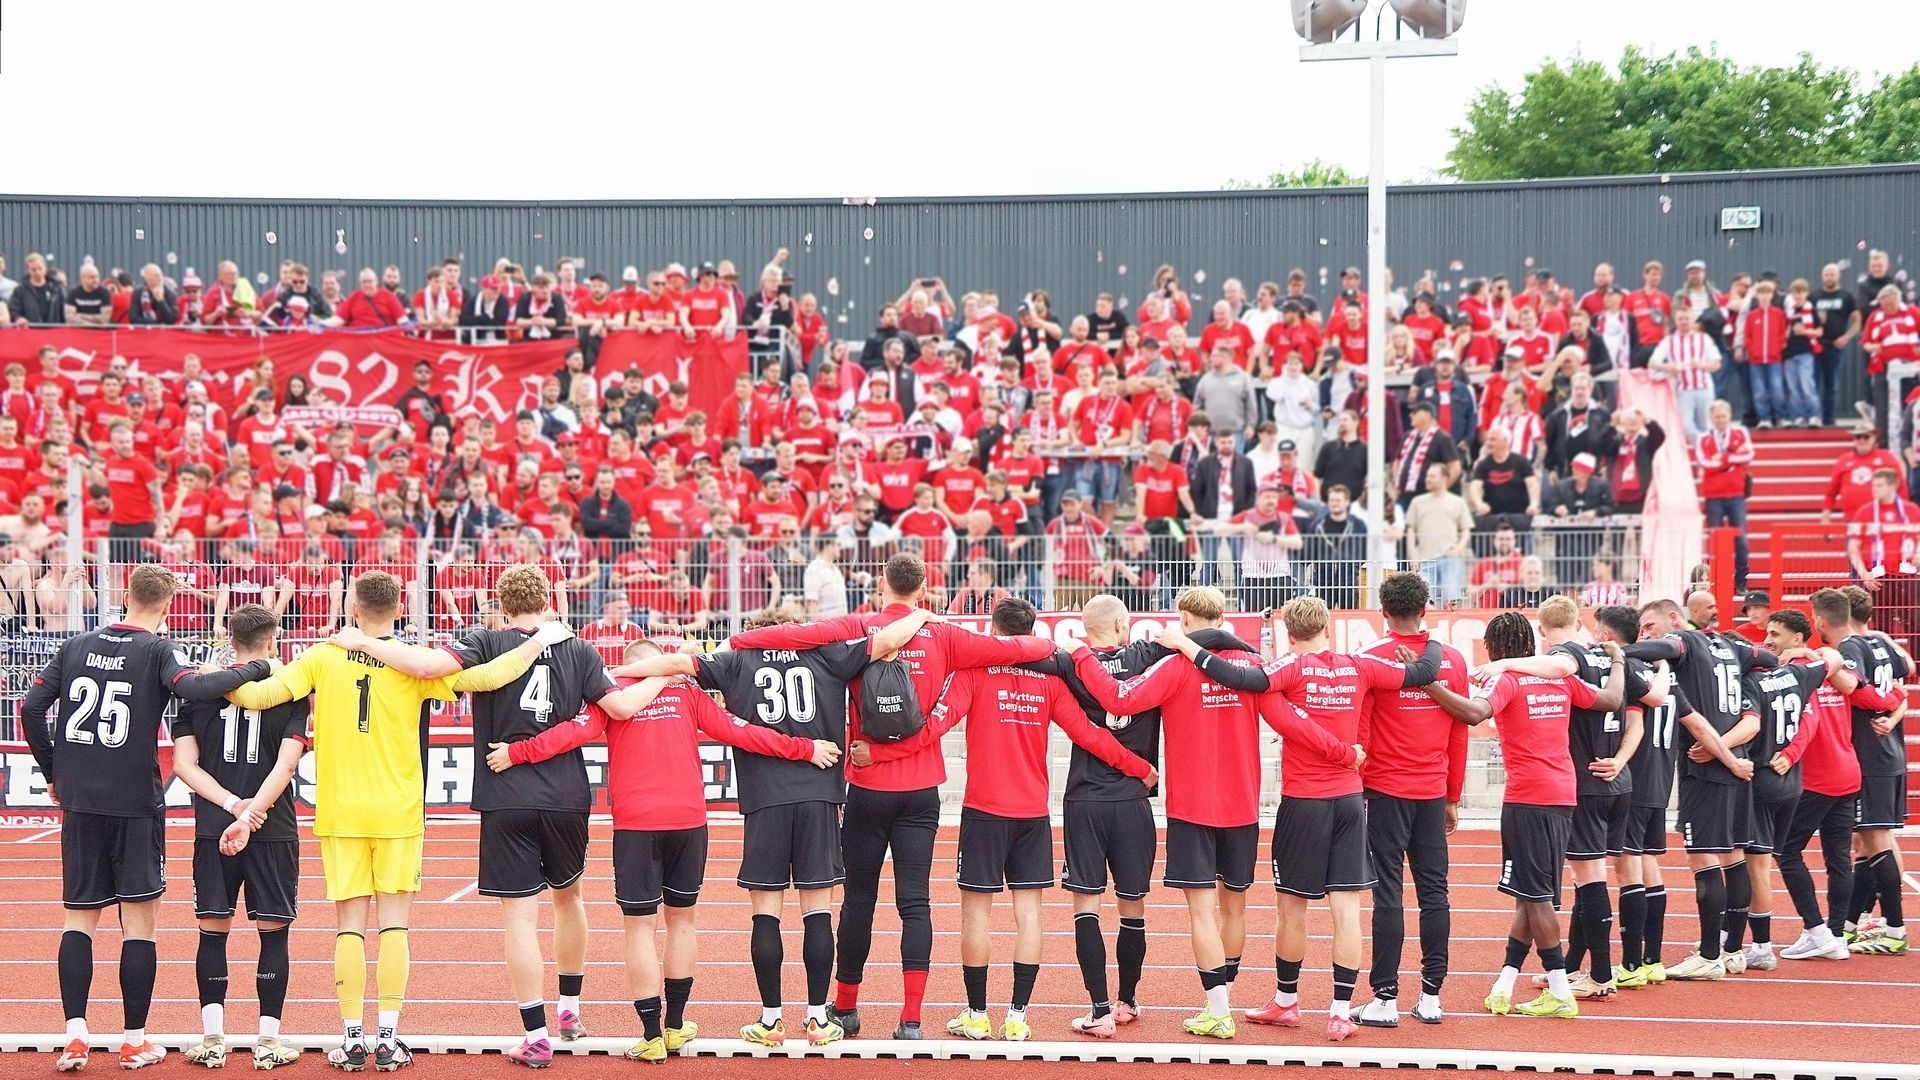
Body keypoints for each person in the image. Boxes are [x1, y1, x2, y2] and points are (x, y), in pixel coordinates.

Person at [224, 571, 558, 1071]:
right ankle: (388, 1038)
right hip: (398, 810)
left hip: (341, 809)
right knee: (395, 926)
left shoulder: (323, 655)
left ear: (353, 609)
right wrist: (539, 642)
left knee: (349, 930)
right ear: (401, 610)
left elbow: (256, 696)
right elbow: (489, 677)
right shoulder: (415, 662)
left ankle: (351, 1038)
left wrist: (225, 673)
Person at [725, 553, 1056, 1041]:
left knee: (858, 901)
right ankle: (911, 1019)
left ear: (882, 585)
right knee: (915, 903)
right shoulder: (946, 635)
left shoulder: (859, 626)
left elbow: (794, 635)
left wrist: (738, 640)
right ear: (923, 589)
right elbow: (1022, 647)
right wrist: (1060, 649)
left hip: (867, 787)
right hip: (921, 791)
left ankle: (845, 1008)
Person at [328, 565, 630, 1066]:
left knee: (520, 916)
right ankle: (570, 1008)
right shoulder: (579, 648)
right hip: (566, 793)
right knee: (570, 898)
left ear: (502, 605)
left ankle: (535, 1035)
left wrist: (357, 640)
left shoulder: (486, 641)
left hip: (505, 791)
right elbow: (617, 708)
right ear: (548, 601)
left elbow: (426, 666)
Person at [488, 637, 832, 1063]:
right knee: (682, 922)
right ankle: (675, 1025)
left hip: (636, 825)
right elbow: (742, 732)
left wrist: (517, 752)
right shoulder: (687, 693)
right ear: (663, 665)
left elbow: (570, 733)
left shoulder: (612, 695)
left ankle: (651, 1035)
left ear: (629, 667)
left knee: (639, 929)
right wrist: (806, 748)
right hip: (688, 822)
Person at [614, 607, 930, 1047]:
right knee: (817, 910)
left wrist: (616, 673)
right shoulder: (825, 652)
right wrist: (920, 613)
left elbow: (675, 663)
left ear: (753, 635)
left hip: (764, 798)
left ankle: (770, 1020)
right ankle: (817, 1019)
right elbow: (889, 640)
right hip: (819, 791)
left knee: (766, 913)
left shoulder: (737, 660)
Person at [1067, 586, 1362, 1041]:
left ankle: (1218, 1010)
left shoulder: (1175, 665)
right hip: (1243, 804)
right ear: (1222, 618)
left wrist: (1082, 655)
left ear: (1185, 621)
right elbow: (1289, 720)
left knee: (1202, 912)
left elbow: (1119, 700)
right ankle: (1235, 998)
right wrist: (1345, 753)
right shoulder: (1252, 668)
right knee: (1234, 907)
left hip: (1192, 806)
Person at [861, 598, 1155, 1042]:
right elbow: (1090, 735)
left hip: (984, 812)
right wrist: (1140, 768)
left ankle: (977, 1015)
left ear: (994, 632)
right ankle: (1017, 1017)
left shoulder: (973, 674)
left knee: (975, 915)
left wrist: (880, 753)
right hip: (1032, 814)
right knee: (1029, 915)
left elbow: (931, 727)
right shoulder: (1050, 682)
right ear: (1032, 632)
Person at [21, 565, 276, 1073]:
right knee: (139, 923)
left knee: (79, 918)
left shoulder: (74, 646)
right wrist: (256, 668)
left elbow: (30, 709)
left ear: (125, 596)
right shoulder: (157, 650)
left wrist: (54, 772)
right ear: (167, 605)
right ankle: (133, 1041)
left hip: (81, 801)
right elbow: (194, 688)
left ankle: (75, 1037)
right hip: (135, 802)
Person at [1166, 597, 1438, 1042]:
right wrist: (1433, 642)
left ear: (1289, 634)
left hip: (1304, 802)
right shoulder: (1360, 666)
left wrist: (1185, 644)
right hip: (1350, 800)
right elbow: (1423, 673)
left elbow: (1239, 677)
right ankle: (1340, 1012)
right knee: (1346, 910)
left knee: (1292, 908)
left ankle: (1287, 1001)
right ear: (1328, 626)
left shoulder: (1289, 667)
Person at [1420, 613, 1622, 1019]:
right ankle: (1505, 981)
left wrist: (1428, 683)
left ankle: (1560, 990)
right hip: (1562, 795)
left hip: (1527, 798)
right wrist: (1618, 660)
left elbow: (1473, 713)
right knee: (1529, 895)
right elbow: (1611, 700)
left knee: (1536, 897)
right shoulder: (1560, 680)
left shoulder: (1507, 680)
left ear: (1495, 648)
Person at [1479, 599, 1658, 999]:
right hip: (1606, 779)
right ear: (1579, 623)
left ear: (1543, 630)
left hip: (1564, 786)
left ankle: (1588, 978)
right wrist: (1619, 661)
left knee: (1573, 884)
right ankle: (1613, 964)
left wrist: (1438, 682)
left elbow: (1480, 710)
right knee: (1602, 876)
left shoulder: (1559, 661)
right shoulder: (1601, 656)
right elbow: (1645, 701)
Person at [169, 605, 310, 1070]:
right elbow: (286, 766)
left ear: (231, 642)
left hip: (215, 827)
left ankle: (212, 1039)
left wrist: (232, 807)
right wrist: (251, 815)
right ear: (272, 642)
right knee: (273, 932)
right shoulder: (291, 692)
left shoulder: (199, 693)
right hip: (272, 828)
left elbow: (184, 765)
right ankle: (268, 1042)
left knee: (213, 931)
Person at [1625, 599, 1775, 981]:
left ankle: (1709, 955)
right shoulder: (1731, 647)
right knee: (1734, 856)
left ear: (1674, 619)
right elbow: (1769, 658)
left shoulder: (1684, 643)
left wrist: (1615, 650)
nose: (1646, 634)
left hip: (1706, 768)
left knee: (1705, 858)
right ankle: (1732, 950)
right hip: (1736, 762)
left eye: (1650, 625)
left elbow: (1659, 650)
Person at [1351, 572, 1469, 1026]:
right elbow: (1459, 732)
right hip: (1432, 791)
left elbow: (1361, 729)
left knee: (1388, 892)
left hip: (1384, 791)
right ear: (1425, 609)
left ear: (1382, 612)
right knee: (1435, 892)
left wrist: (1360, 784)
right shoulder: (1452, 660)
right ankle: (1432, 996)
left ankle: (1384, 999)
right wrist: (1452, 795)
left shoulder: (1369, 658)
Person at [1775, 589, 1886, 961]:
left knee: (1786, 850)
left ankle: (1816, 929)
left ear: (1802, 634)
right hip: (1847, 773)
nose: (1769, 641)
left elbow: (1808, 722)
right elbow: (1864, 692)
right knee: (1838, 858)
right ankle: (1836, 934)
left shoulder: (1803, 673)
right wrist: (1895, 700)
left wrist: (1788, 756)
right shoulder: (1832, 669)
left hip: (1818, 778)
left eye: (1775, 634)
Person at [1739, 610, 1838, 971]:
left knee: (1753, 866)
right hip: (1792, 784)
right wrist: (1809, 654)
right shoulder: (1799, 673)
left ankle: (1760, 945)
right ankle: (1820, 930)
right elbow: (1835, 659)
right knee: (1778, 859)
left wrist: (1715, 747)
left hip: (1765, 778)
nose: (1767, 640)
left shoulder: (1753, 682)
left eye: (1775, 634)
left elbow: (1751, 727)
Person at [1837, 586, 1914, 952]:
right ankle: (1849, 923)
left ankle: (1894, 929)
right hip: (1888, 752)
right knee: (1866, 842)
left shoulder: (1852, 647)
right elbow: (1907, 671)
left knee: (1876, 839)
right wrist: (1894, 711)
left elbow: (1854, 687)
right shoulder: (1880, 643)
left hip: (1871, 755)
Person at [1697, 401, 1755, 592]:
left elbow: (1748, 455)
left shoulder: (1740, 433)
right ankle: (1716, 580)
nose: (1720, 420)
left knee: (1741, 540)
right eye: (1717, 417)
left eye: (1723, 416)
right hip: (1713, 496)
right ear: (1711, 418)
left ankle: (1741, 581)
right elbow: (1705, 463)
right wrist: (1732, 458)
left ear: (1729, 416)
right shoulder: (1704, 439)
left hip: (1736, 494)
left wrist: (1722, 458)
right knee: (1715, 540)